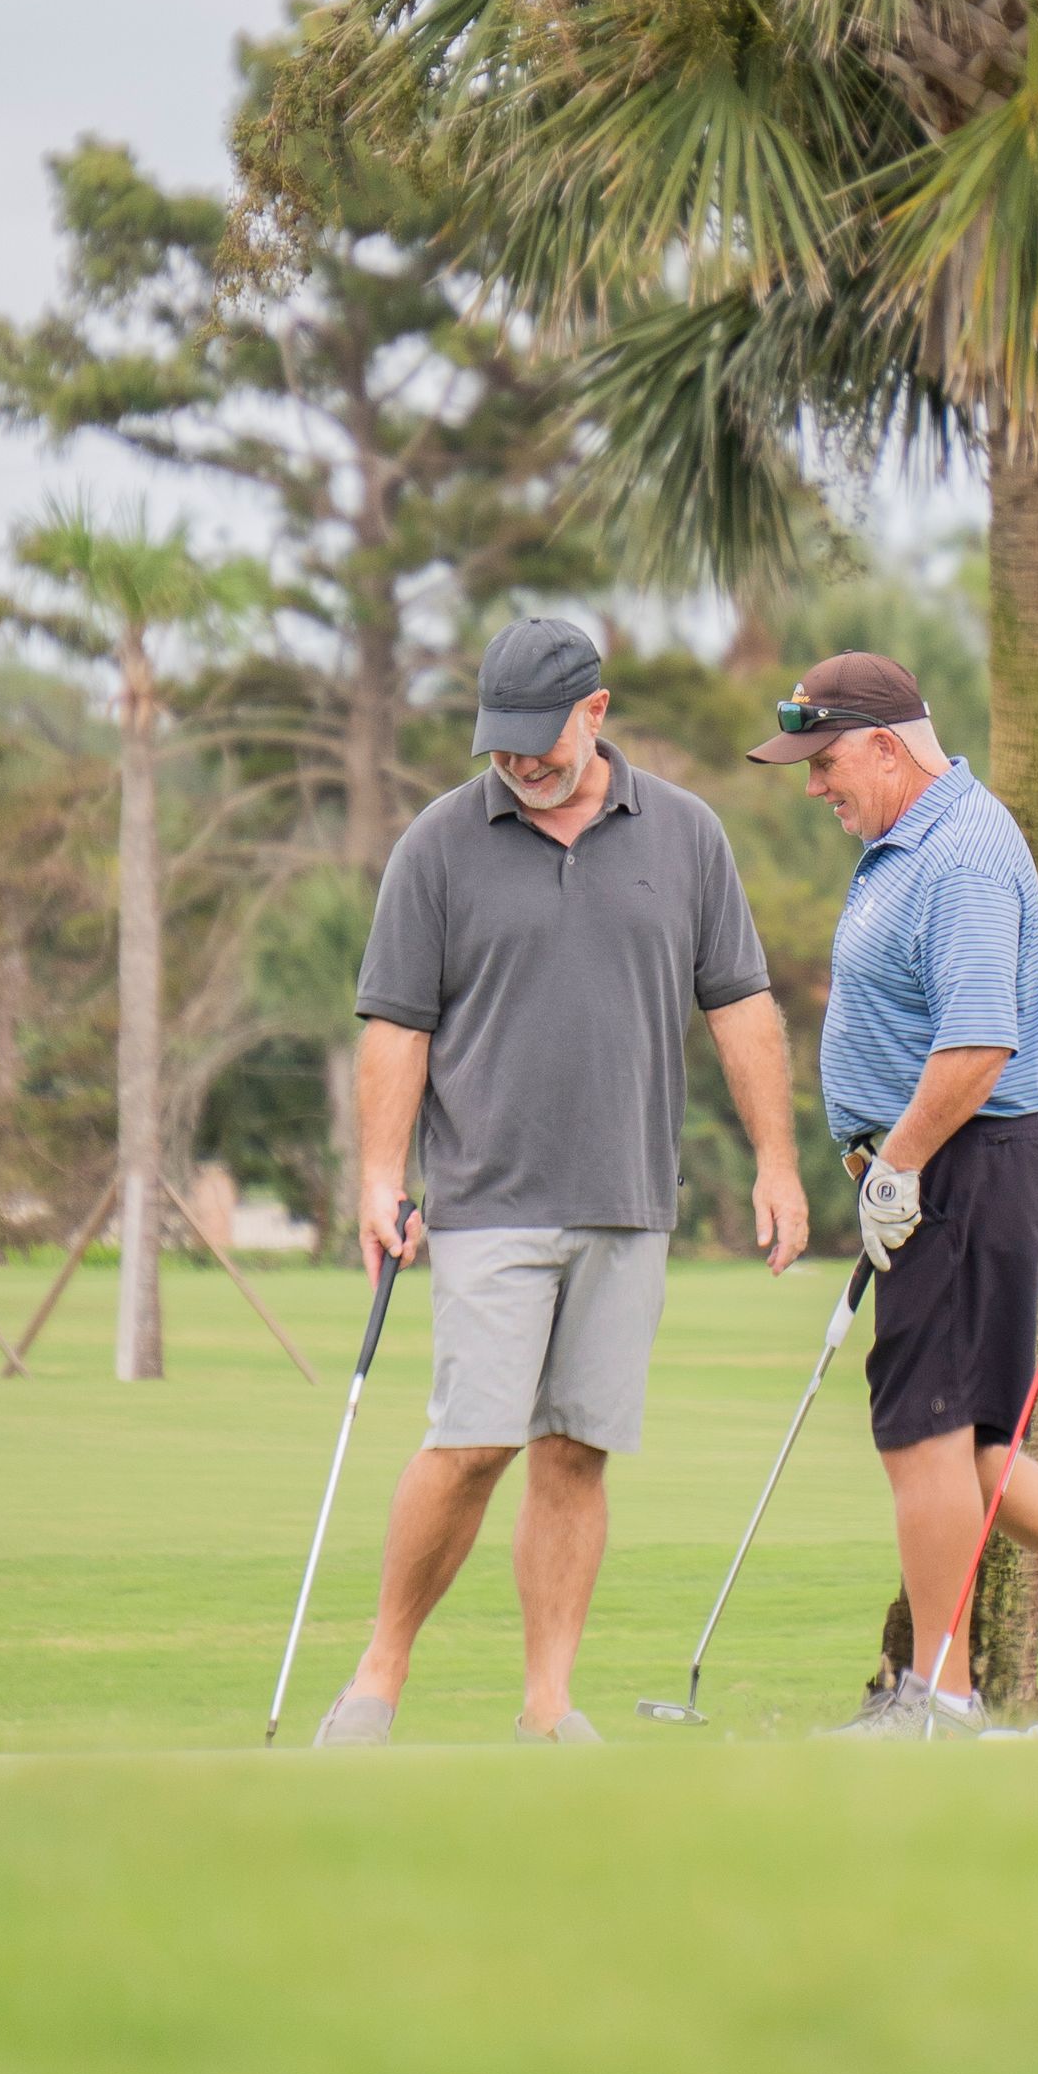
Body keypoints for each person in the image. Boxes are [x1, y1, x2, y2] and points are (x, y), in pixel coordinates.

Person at [315, 616, 807, 1748]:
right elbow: (396, 1025)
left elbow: (740, 1005)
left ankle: (548, 1705)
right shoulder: (439, 844)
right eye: (500, 742)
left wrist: (777, 1163)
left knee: (576, 1450)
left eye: (537, 739)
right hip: (487, 1197)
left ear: (596, 712)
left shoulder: (686, 833)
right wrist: (380, 1177)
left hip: (628, 1200)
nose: (518, 762)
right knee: (474, 1443)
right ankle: (379, 1674)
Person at [748, 651, 1038, 1738]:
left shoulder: (956, 852)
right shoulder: (911, 839)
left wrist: (897, 1167)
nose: (814, 788)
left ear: (884, 747)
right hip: (961, 1162)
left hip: (971, 1157)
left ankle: (942, 1701)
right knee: (973, 1441)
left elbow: (976, 1045)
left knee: (923, 1434)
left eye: (823, 764)